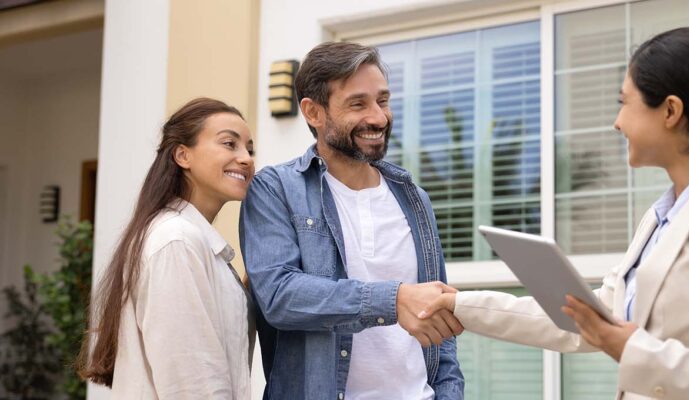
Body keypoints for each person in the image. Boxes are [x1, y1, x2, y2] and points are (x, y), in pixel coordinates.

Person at [421, 27, 689, 399]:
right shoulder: (662, 217)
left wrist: (635, 351)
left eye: (624, 102)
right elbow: (584, 317)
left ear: (671, 110)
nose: (617, 122)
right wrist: (461, 305)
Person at [240, 41, 464, 399]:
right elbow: (279, 296)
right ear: (313, 112)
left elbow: (441, 329)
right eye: (358, 104)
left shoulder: (413, 198)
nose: (378, 118)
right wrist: (393, 300)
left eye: (383, 101)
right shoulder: (276, 189)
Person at [78, 98, 256, 398]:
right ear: (183, 155)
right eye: (230, 144)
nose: (246, 159)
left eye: (250, 150)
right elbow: (192, 384)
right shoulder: (176, 240)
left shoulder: (190, 240)